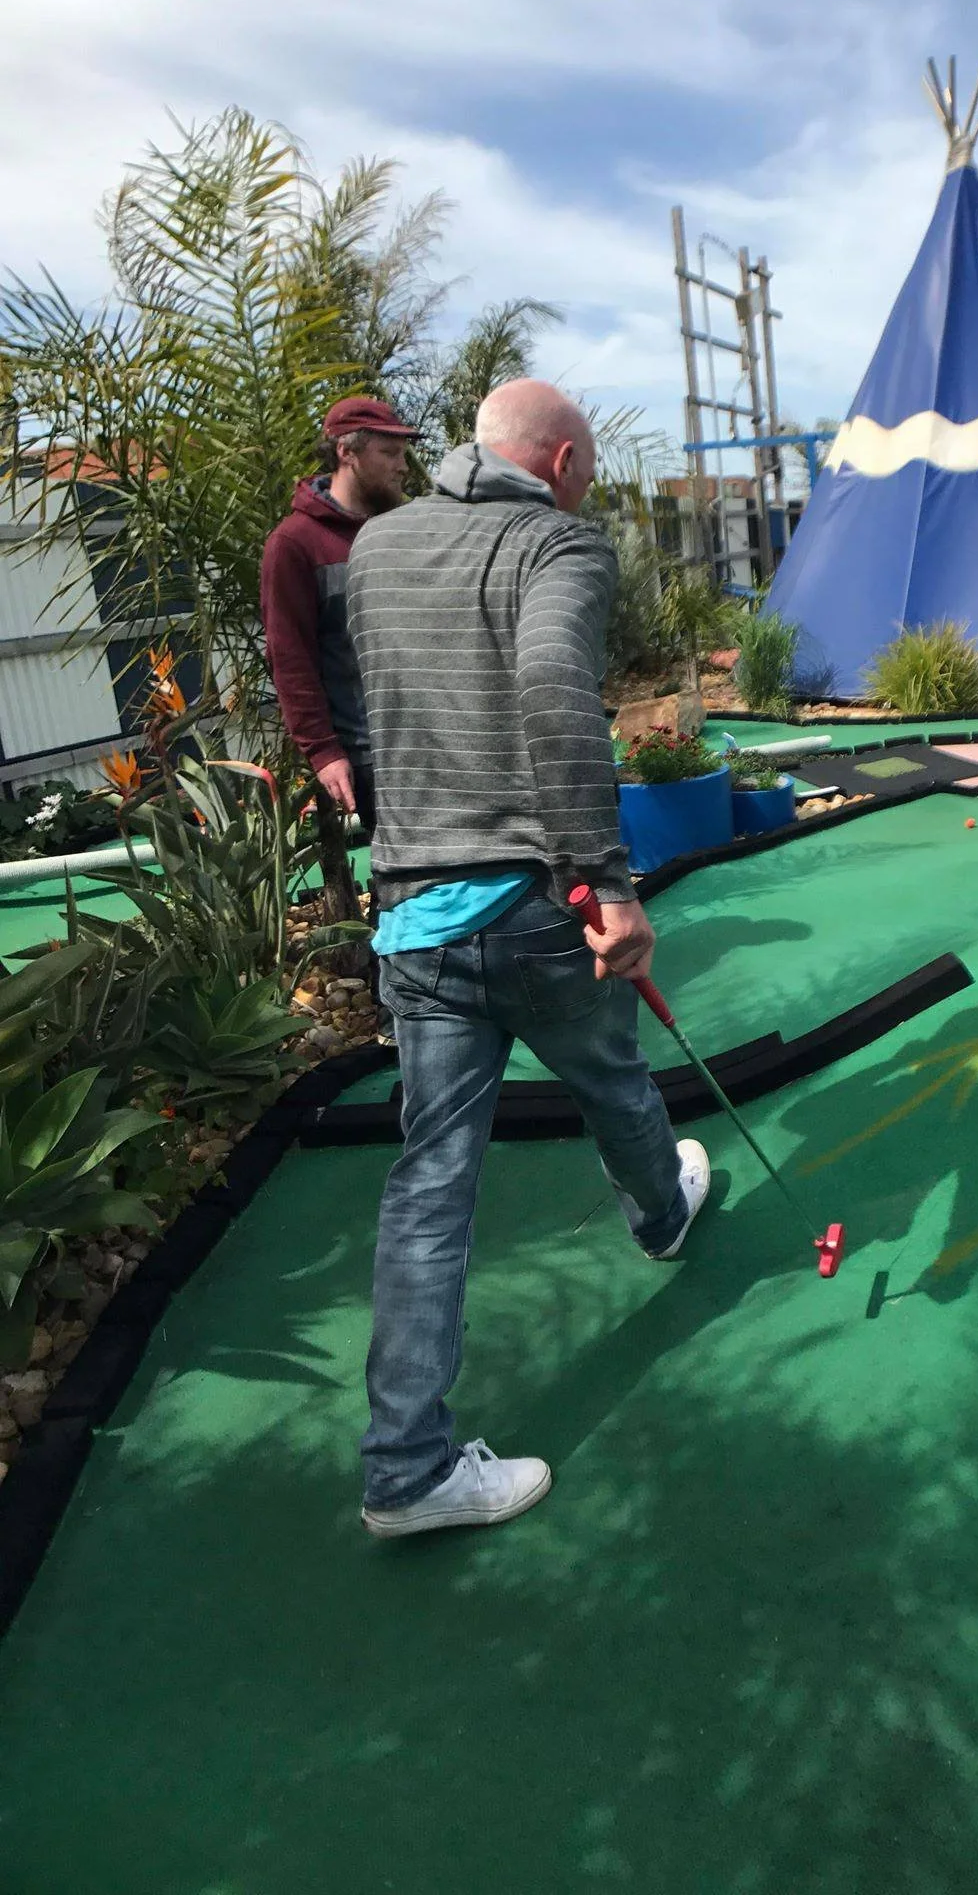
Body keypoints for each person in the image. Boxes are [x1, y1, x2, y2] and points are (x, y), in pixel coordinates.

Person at [346, 379, 712, 1541]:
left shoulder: (378, 546)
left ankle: (405, 1469)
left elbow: (388, 718)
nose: (589, 490)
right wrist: (611, 883)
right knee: (610, 1078)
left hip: (412, 914)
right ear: (557, 463)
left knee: (430, 1183)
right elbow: (559, 699)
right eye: (589, 473)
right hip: (536, 904)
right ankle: (661, 1214)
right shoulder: (559, 539)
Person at [260, 395, 418, 834]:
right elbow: (290, 659)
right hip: (374, 754)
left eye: (402, 453)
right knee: (413, 882)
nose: (402, 466)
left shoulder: (405, 529)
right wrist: (325, 753)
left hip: (439, 738)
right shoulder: (295, 544)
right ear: (346, 453)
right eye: (389, 453)